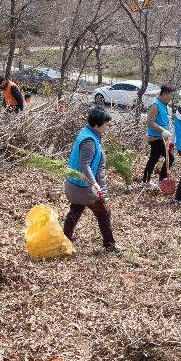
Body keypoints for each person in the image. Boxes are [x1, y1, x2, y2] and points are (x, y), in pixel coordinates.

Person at [63, 106, 121, 254]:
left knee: (76, 209)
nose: (107, 128)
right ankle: (110, 245)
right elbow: (84, 164)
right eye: (106, 125)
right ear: (97, 124)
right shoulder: (89, 140)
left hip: (75, 184)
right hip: (83, 187)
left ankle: (64, 238)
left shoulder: (88, 132)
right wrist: (94, 183)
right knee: (104, 212)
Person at [140, 85, 176, 187]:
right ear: (164, 94)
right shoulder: (155, 105)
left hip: (161, 137)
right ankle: (162, 181)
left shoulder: (163, 105)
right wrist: (162, 130)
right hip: (155, 138)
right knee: (171, 158)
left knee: (153, 159)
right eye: (171, 95)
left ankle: (145, 182)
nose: (171, 97)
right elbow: (150, 122)